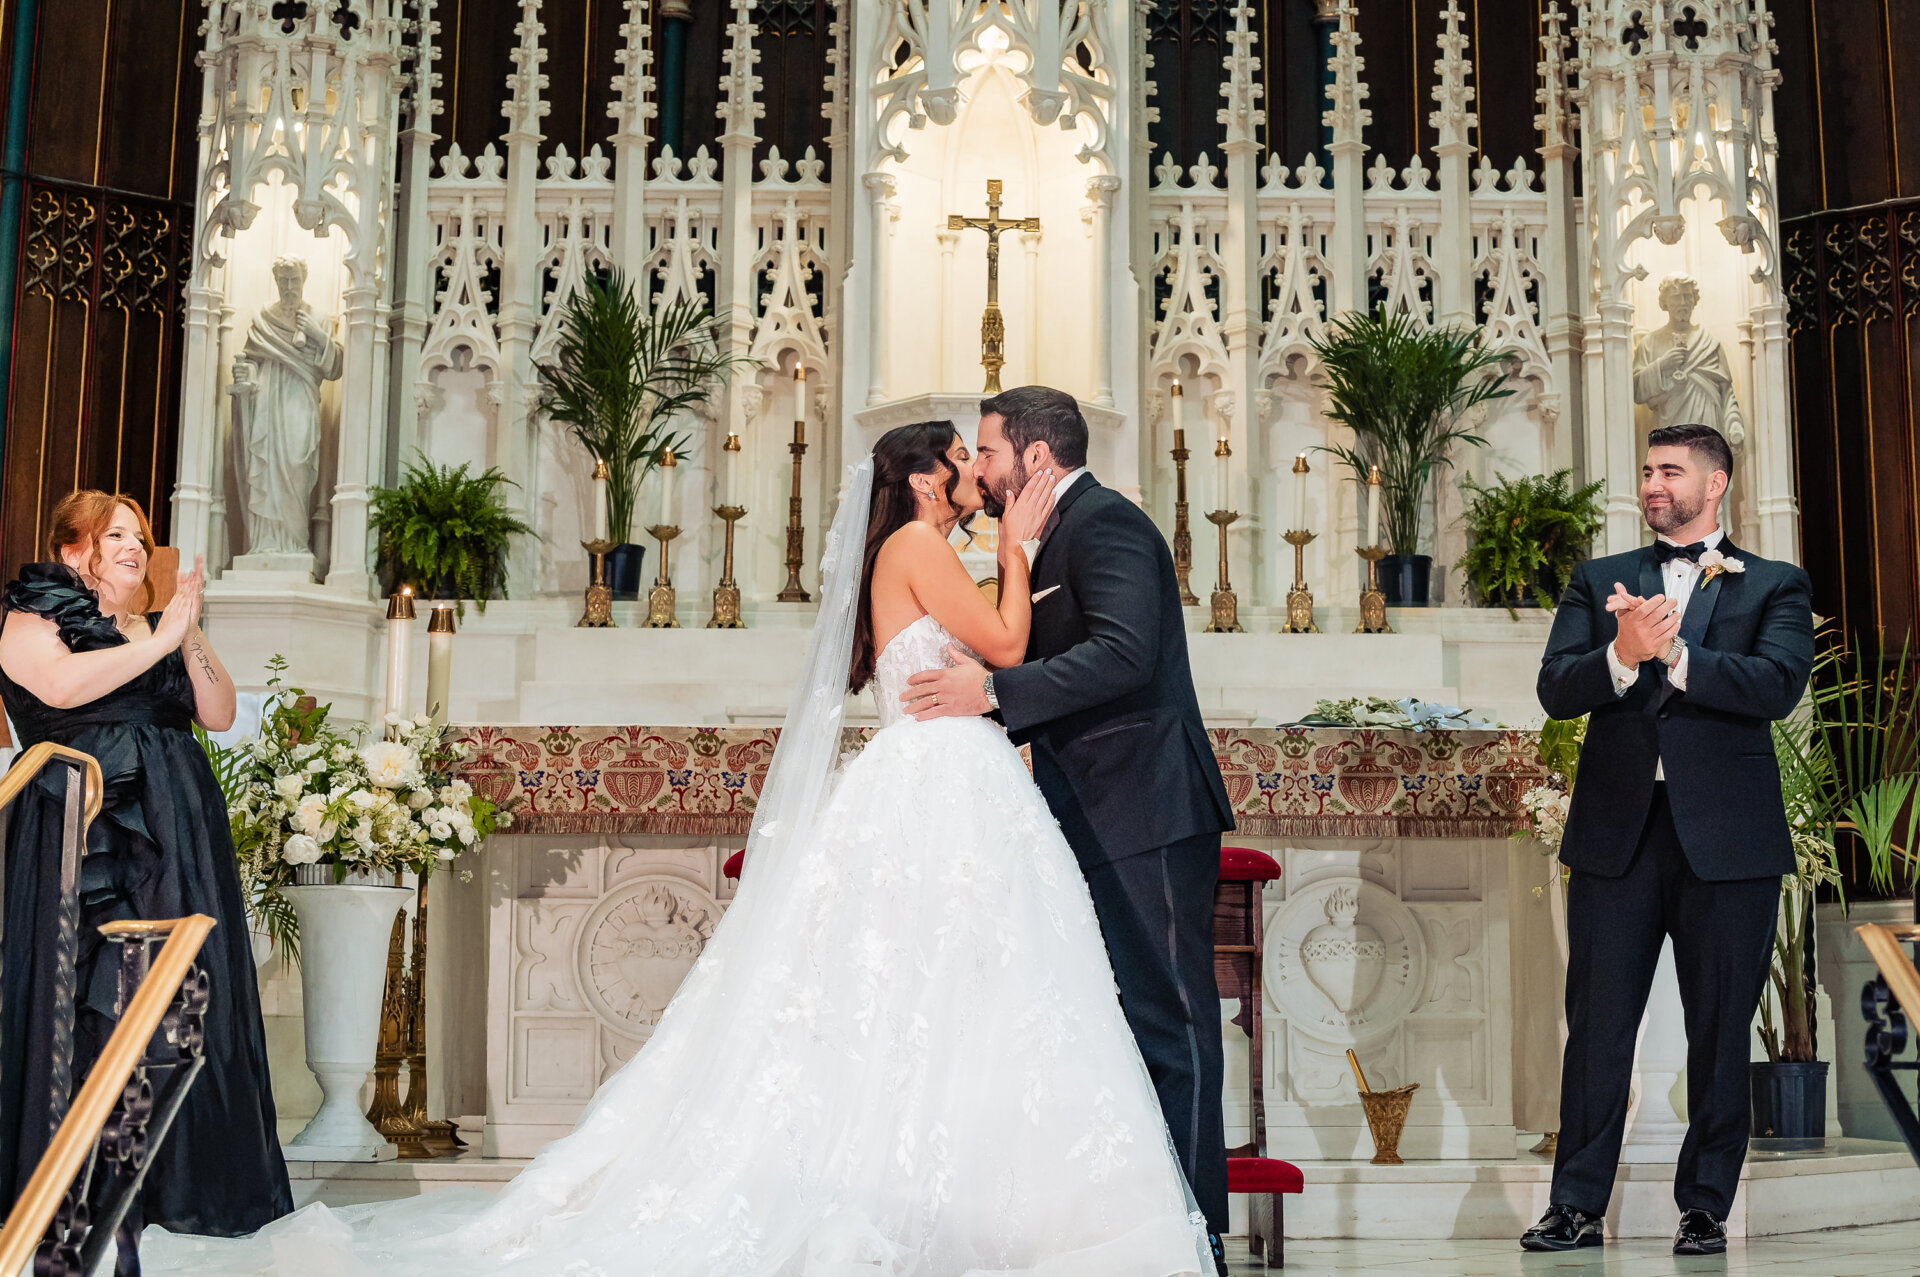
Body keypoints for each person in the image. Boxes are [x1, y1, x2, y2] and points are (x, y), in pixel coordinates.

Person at [143, 423, 1215, 1275]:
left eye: (986, 456)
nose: (978, 475)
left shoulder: (923, 545)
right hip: (947, 782)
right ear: (932, 479)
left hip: (946, 779)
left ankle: (958, 1189)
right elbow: (1011, 646)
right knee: (962, 990)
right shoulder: (925, 545)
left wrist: (1008, 562)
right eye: (964, 459)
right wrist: (1017, 551)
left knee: (949, 994)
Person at [904, 385, 1237, 1271]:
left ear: (1036, 456)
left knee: (1173, 1014)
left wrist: (994, 693)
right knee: (1121, 1017)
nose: (976, 468)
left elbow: (1126, 653)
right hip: (1089, 805)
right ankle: (1148, 1220)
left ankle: (1198, 1224)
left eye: (987, 451)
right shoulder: (1045, 534)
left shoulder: (1107, 524)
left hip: (1146, 804)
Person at [1521, 423, 1813, 1256]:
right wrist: (1620, 652)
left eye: (1671, 471)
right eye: (1647, 469)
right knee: (1598, 1027)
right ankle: (1574, 1204)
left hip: (1728, 841)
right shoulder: (1600, 578)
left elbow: (1777, 686)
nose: (1653, 483)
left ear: (1715, 483)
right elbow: (1554, 689)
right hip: (1619, 833)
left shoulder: (1776, 585)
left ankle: (1705, 1205)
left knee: (1719, 1029)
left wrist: (1676, 654)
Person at [0, 491, 293, 1235]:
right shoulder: (40, 608)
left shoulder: (156, 627)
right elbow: (59, 686)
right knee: (97, 997)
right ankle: (81, 1192)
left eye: (141, 536)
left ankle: (180, 1187)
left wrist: (184, 632)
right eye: (116, 533)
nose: (135, 545)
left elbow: (220, 711)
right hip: (86, 830)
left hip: (180, 832)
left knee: (180, 996)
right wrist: (157, 647)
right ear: (74, 548)